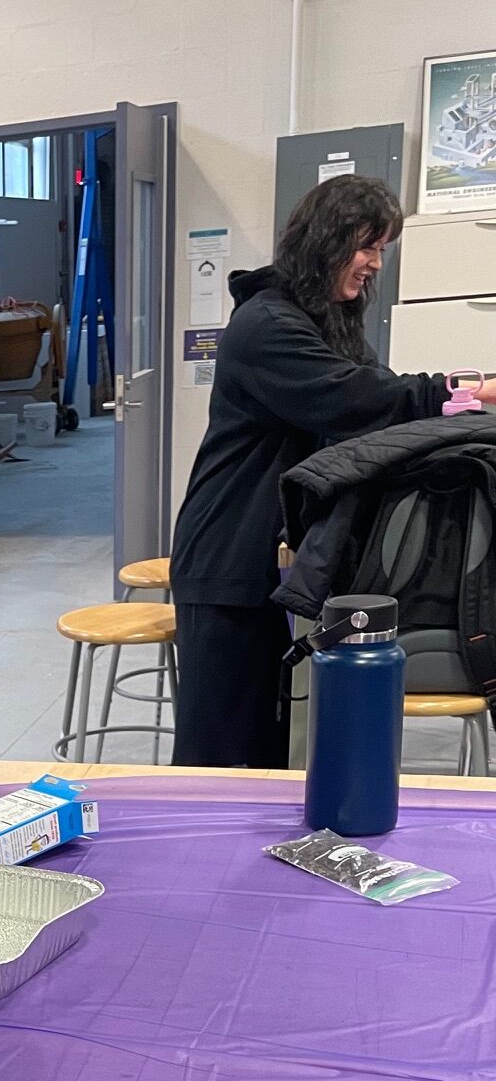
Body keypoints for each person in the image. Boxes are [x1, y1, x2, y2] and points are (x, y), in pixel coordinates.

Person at [169, 174, 496, 767]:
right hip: (228, 555)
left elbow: (374, 414)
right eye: (367, 246)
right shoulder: (266, 324)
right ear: (327, 239)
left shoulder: (326, 323)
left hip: (278, 559)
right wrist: (473, 391)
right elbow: (352, 399)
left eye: (381, 250)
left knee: (268, 748)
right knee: (218, 753)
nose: (374, 263)